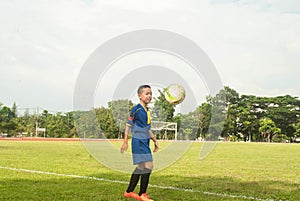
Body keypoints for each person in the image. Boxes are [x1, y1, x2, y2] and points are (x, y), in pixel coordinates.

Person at [121, 85, 159, 201]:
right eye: (147, 93)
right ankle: (142, 194)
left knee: (141, 166)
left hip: (145, 141)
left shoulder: (147, 111)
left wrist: (155, 141)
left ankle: (129, 191)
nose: (149, 96)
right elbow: (128, 125)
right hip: (138, 141)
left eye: (151, 94)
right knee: (149, 165)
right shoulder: (136, 109)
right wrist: (125, 141)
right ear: (139, 95)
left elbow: (147, 129)